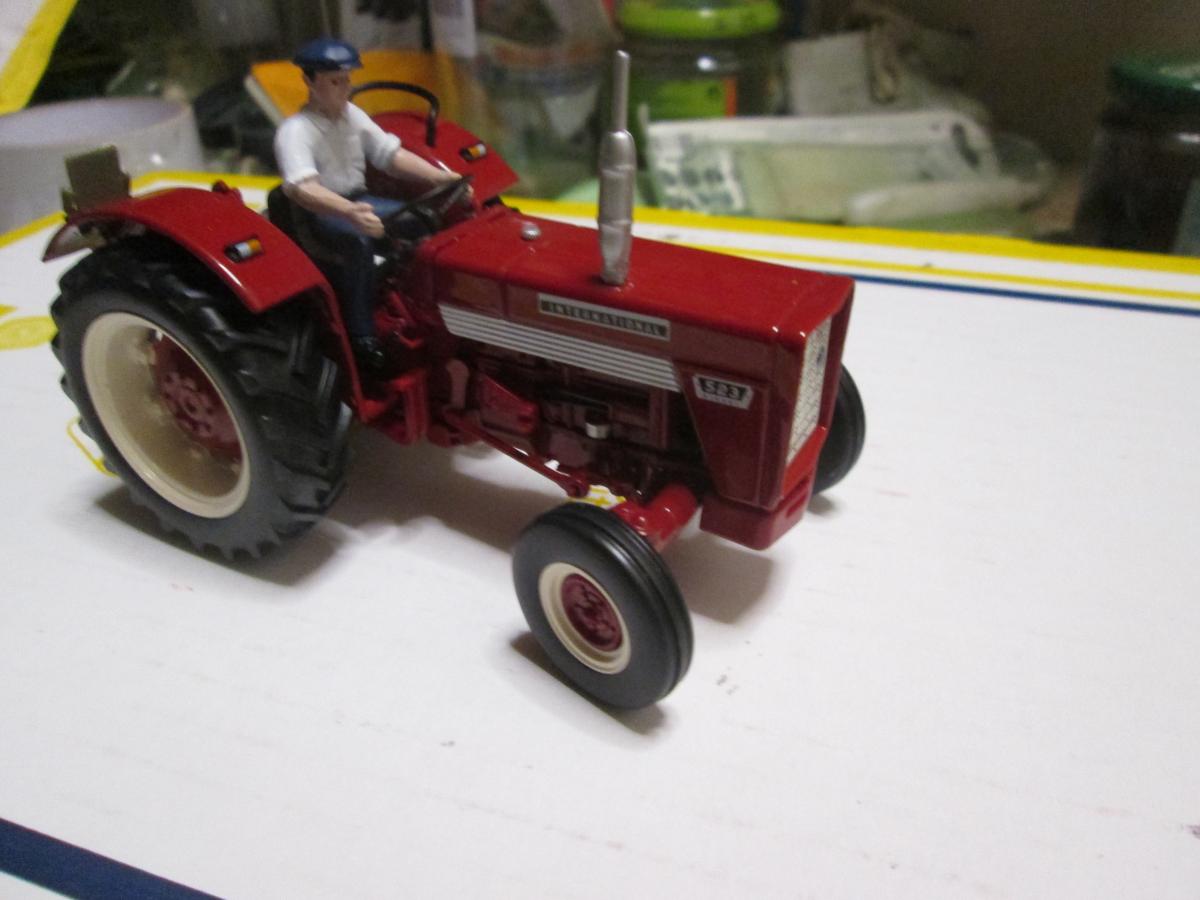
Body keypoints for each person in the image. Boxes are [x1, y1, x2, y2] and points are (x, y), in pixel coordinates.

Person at [274, 37, 464, 373]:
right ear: (309, 82)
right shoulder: (295, 132)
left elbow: (390, 156)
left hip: (360, 200)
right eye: (335, 81)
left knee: (423, 220)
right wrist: (349, 212)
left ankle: (424, 304)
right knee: (358, 244)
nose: (345, 88)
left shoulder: (354, 116)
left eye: (346, 79)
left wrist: (438, 178)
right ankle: (362, 337)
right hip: (323, 213)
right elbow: (303, 189)